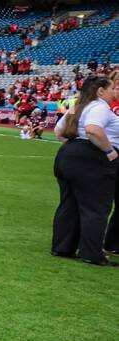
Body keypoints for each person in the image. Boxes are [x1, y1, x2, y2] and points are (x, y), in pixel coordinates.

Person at [51, 76, 119, 265]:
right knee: (95, 208)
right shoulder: (99, 107)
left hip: (68, 155)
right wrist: (109, 151)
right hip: (92, 158)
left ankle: (62, 247)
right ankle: (91, 253)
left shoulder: (78, 105)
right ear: (100, 91)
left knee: (69, 205)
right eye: (112, 88)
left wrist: (74, 147)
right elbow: (93, 129)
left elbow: (58, 130)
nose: (114, 92)